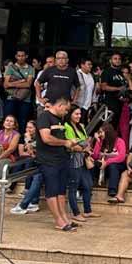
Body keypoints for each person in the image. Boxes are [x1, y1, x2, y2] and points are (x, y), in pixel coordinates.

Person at [36, 95, 79, 230]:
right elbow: (46, 138)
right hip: (49, 160)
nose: (66, 113)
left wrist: (71, 143)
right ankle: (58, 220)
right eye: (65, 110)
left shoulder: (60, 120)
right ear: (59, 106)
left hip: (62, 159)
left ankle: (64, 217)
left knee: (61, 190)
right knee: (52, 190)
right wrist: (65, 142)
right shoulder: (45, 117)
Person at [63, 106, 97, 221]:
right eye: (76, 114)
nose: (79, 116)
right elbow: (72, 145)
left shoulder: (81, 126)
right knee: (73, 187)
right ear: (70, 114)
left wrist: (83, 147)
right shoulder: (66, 127)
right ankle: (75, 213)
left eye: (79, 114)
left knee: (88, 185)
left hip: (83, 160)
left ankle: (87, 211)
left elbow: (86, 142)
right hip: (73, 161)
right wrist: (83, 147)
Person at [10, 121, 45, 215]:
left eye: (31, 128)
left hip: (44, 163)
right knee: (34, 174)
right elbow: (30, 153)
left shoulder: (40, 137)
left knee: (35, 175)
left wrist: (28, 141)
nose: (28, 130)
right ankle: (33, 202)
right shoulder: (26, 137)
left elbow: (34, 154)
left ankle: (24, 204)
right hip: (37, 163)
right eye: (27, 127)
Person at [91, 122, 128, 198]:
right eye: (99, 132)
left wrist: (107, 162)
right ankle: (89, 186)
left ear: (107, 132)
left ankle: (112, 189)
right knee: (93, 163)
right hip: (104, 166)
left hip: (118, 165)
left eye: (101, 132)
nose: (100, 134)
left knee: (113, 166)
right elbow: (95, 156)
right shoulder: (100, 141)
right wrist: (97, 141)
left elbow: (121, 157)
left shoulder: (119, 141)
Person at [3, 50, 35, 129]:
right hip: (11, 97)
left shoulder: (31, 68)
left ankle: (20, 139)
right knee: (8, 119)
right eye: (19, 56)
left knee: (22, 121)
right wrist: (20, 81)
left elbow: (28, 84)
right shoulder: (10, 67)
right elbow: (6, 85)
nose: (21, 58)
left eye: (22, 56)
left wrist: (12, 83)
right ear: (16, 56)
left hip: (25, 99)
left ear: (26, 56)